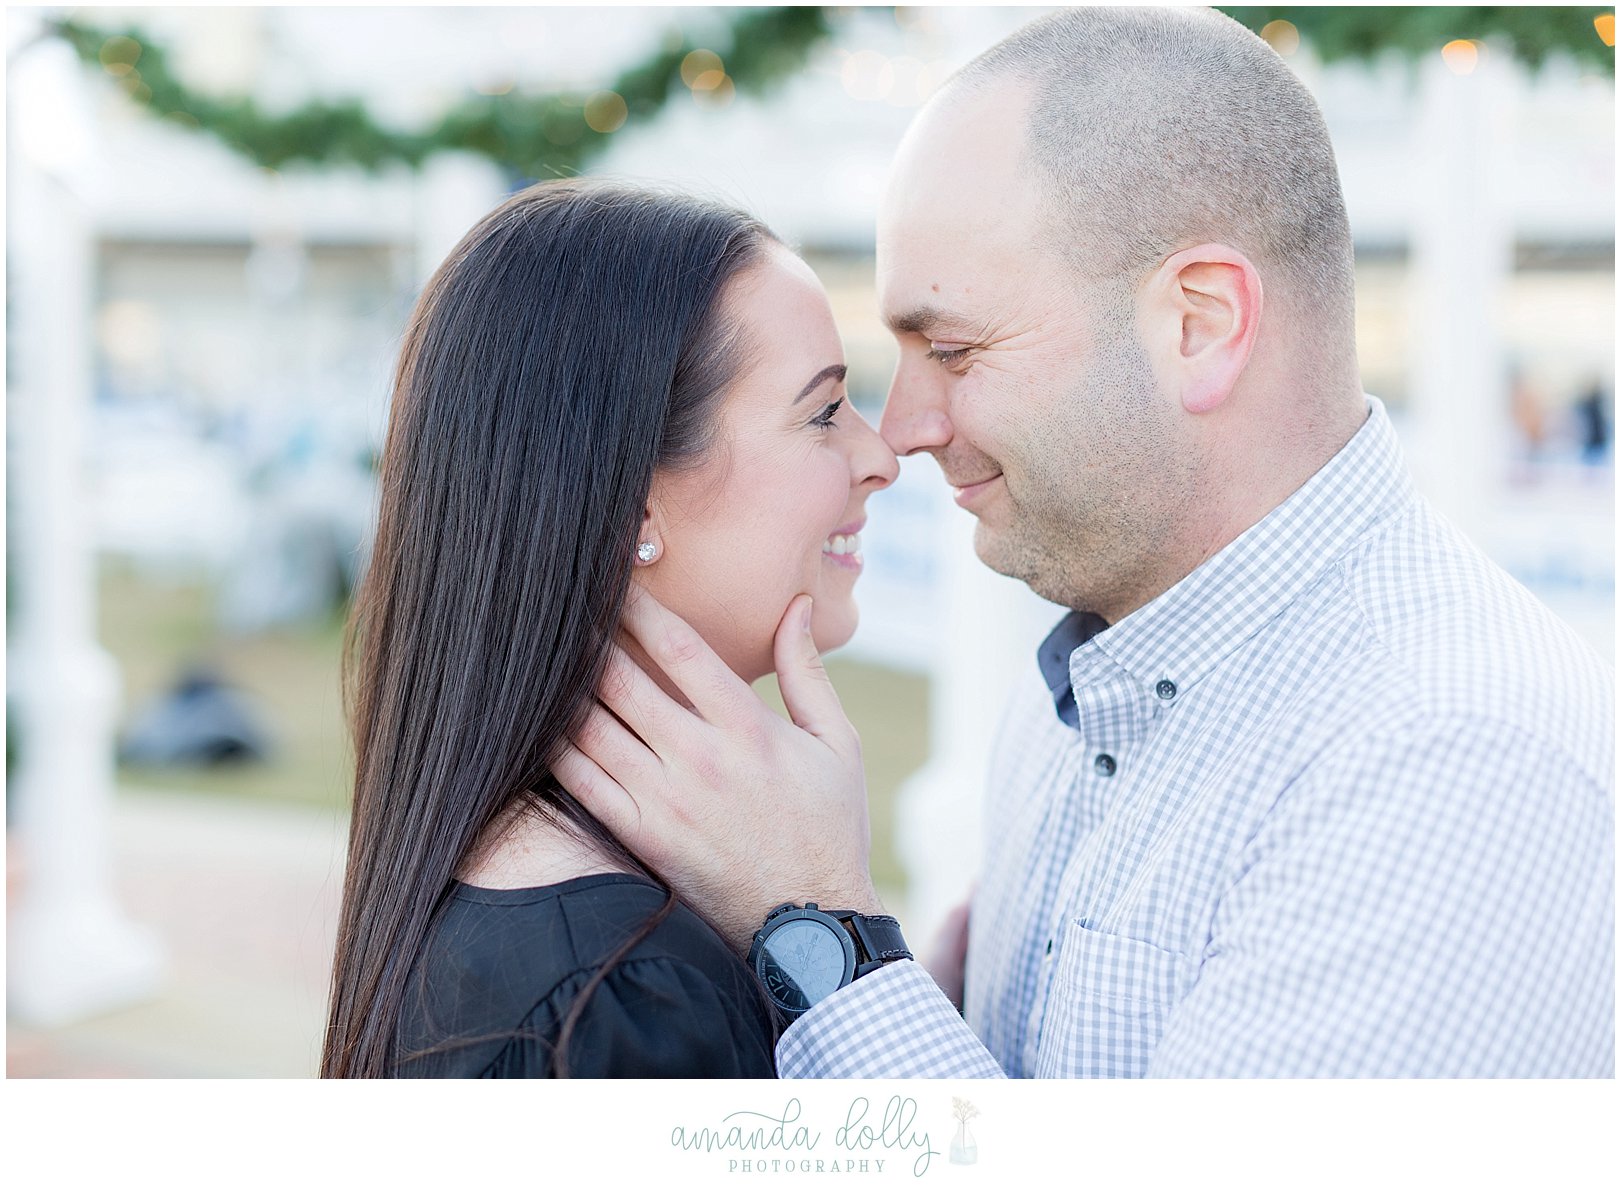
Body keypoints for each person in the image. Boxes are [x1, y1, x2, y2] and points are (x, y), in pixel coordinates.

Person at [557, 8, 1615, 1077]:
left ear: (1198, 323)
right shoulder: (1082, 679)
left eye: (954, 349)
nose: (904, 427)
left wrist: (819, 921)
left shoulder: (1442, 751)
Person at [321, 179, 898, 1077]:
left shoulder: (569, 916)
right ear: (634, 502)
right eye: (823, 412)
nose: (881, 457)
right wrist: (834, 916)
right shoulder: (625, 1001)